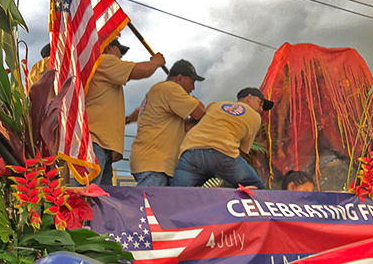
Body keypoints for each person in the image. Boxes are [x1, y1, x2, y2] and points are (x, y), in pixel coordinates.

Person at [85, 38, 166, 185]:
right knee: (88, 196)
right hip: (95, 143)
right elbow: (139, 71)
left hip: (101, 145)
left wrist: (128, 119)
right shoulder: (104, 60)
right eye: (119, 50)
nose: (121, 56)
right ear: (108, 48)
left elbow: (102, 112)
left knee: (99, 199)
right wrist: (156, 62)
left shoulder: (103, 72)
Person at [171, 87, 274, 189]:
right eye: (260, 103)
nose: (260, 109)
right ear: (249, 97)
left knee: (177, 194)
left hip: (191, 152)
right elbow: (242, 152)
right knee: (257, 188)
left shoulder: (215, 105)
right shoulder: (255, 116)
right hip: (222, 154)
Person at [129, 59, 206, 186]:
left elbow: (187, 125)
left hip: (153, 162)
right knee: (150, 204)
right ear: (180, 78)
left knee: (154, 204)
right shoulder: (171, 88)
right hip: (155, 164)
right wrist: (194, 101)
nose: (193, 88)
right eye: (192, 82)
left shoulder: (160, 91)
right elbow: (200, 112)